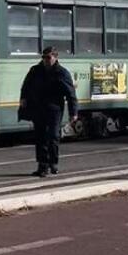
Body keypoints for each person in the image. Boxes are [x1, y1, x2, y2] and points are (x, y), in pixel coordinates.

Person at [19, 46, 78, 178]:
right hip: (38, 107)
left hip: (54, 109)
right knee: (40, 137)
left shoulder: (62, 73)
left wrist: (73, 112)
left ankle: (53, 162)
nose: (45, 60)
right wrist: (23, 98)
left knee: (53, 136)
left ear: (55, 57)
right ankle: (42, 166)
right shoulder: (35, 70)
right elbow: (26, 85)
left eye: (48, 57)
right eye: (44, 57)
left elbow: (70, 93)